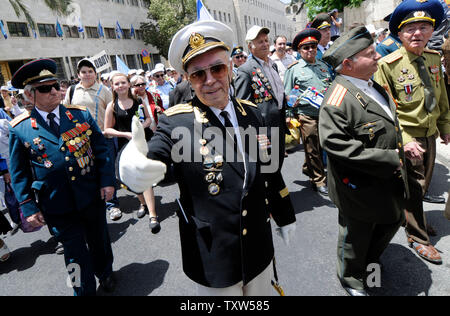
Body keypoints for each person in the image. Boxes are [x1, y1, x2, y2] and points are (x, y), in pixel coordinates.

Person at [117, 20, 296, 296]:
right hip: (214, 254)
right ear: (188, 79)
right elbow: (156, 158)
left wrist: (285, 215)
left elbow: (270, 171)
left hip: (259, 243)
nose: (210, 80)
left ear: (231, 69)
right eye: (198, 74)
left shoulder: (253, 113)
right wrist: (133, 164)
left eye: (217, 68)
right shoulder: (176, 122)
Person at [9, 59, 116, 295]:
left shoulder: (79, 115)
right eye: (45, 89)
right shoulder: (20, 128)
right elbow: (19, 173)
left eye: (55, 85)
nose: (54, 91)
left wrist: (108, 181)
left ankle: (105, 272)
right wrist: (28, 208)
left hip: (90, 194)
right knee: (74, 252)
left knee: (99, 241)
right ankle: (82, 290)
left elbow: (101, 151)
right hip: (57, 203)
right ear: (29, 95)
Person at [319, 26, 408, 296]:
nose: (378, 57)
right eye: (370, 54)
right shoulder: (337, 100)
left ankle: (370, 260)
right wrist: (389, 157)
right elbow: (336, 145)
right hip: (357, 184)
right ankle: (352, 278)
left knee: (390, 220)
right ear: (348, 63)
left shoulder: (371, 84)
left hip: (385, 177)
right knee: (356, 235)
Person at [374, 0, 449, 265]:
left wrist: (445, 127)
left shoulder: (432, 58)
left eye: (423, 27)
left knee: (424, 184)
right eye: (411, 29)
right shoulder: (388, 64)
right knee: (414, 188)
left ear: (432, 31)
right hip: (408, 137)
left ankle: (415, 219)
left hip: (429, 132)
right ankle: (417, 236)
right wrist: (404, 140)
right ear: (400, 34)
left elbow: (441, 97)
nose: (417, 33)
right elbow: (385, 111)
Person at [63, 59, 121, 221]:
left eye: (90, 71)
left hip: (102, 138)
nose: (87, 74)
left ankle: (112, 205)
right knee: (86, 171)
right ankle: (95, 203)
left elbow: (113, 113)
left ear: (95, 73)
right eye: (83, 72)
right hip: (79, 141)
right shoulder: (72, 90)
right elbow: (65, 112)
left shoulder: (104, 90)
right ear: (78, 74)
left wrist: (108, 130)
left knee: (106, 170)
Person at [104, 73, 160, 232]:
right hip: (125, 146)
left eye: (123, 82)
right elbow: (107, 129)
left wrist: (140, 127)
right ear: (113, 87)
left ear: (129, 84)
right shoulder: (111, 106)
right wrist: (125, 134)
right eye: (117, 84)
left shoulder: (138, 101)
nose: (120, 86)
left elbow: (149, 119)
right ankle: (143, 203)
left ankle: (153, 216)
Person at [284, 29, 332, 196]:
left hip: (325, 114)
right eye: (306, 48)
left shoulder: (323, 66)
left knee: (322, 145)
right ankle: (319, 180)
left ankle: (308, 167)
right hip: (306, 114)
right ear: (299, 50)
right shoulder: (294, 69)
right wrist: (289, 115)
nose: (310, 50)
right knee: (313, 148)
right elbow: (289, 95)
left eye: (313, 46)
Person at [235, 25, 289, 171]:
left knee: (278, 164)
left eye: (266, 40)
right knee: (267, 168)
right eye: (260, 41)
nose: (265, 44)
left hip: (279, 124)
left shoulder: (273, 65)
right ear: (250, 46)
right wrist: (256, 133)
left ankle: (277, 191)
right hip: (263, 130)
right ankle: (271, 193)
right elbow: (243, 107)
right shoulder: (245, 70)